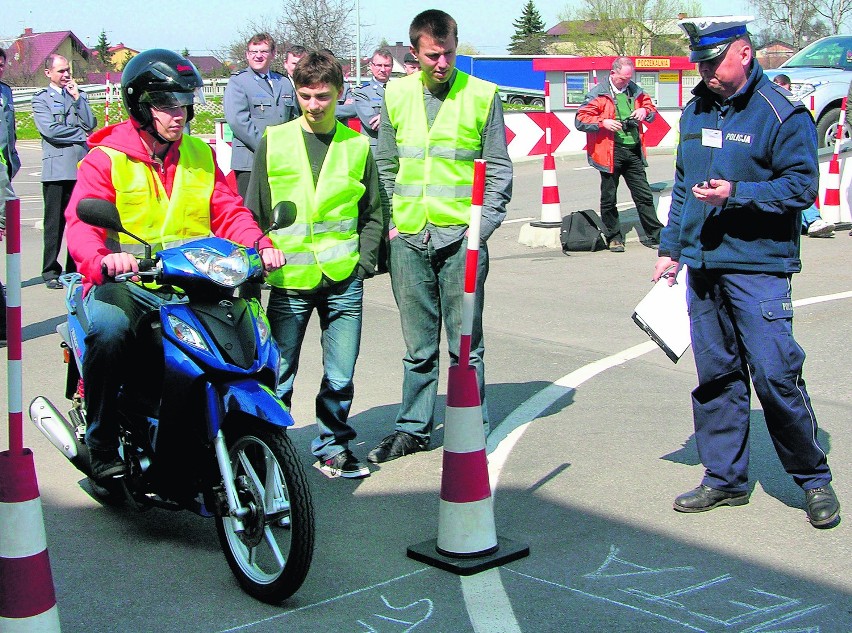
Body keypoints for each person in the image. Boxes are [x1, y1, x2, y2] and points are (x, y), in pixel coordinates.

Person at [653, 17, 840, 528]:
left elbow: (802, 190)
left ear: (744, 53)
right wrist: (671, 248)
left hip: (758, 266)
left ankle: (813, 480)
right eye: (702, 65)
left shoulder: (782, 114)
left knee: (776, 374)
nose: (707, 72)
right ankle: (724, 478)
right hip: (704, 266)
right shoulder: (697, 108)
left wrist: (738, 194)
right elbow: (683, 183)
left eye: (714, 63)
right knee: (716, 377)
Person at [64, 49, 285, 481]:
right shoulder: (105, 159)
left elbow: (229, 211)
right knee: (109, 334)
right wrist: (103, 261)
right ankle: (102, 441)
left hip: (193, 282)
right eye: (167, 104)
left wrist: (260, 244)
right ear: (141, 107)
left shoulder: (201, 155)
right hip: (126, 283)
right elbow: (80, 225)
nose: (179, 114)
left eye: (184, 103)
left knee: (243, 334)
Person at [368, 9, 512, 464]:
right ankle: (413, 429)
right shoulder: (396, 93)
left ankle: (471, 425)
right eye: (433, 55)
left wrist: (481, 230)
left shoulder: (483, 95)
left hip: (461, 242)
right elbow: (387, 165)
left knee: (466, 346)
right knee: (418, 348)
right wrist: (393, 222)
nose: (443, 62)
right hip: (409, 237)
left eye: (449, 52)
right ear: (414, 53)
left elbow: (499, 169)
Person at [244, 50, 382, 478]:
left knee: (340, 376)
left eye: (323, 96)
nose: (313, 105)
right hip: (289, 282)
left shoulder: (357, 145)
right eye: (305, 95)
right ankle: (268, 457)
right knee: (278, 375)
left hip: (344, 279)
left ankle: (332, 447)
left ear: (340, 95)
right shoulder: (275, 140)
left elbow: (374, 213)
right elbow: (252, 212)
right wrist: (259, 253)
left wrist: (364, 264)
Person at [575, 57, 664, 252]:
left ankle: (656, 235)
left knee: (644, 196)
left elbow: (651, 110)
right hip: (609, 152)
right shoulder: (598, 93)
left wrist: (643, 111)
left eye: (629, 78)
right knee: (609, 198)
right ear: (613, 73)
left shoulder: (636, 91)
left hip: (633, 151)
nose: (627, 82)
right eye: (623, 78)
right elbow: (580, 120)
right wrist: (602, 123)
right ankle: (614, 237)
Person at [32, 54, 96, 289]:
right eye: (60, 71)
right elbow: (50, 130)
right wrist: (81, 136)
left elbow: (90, 123)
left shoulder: (77, 96)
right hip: (57, 170)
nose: (66, 75)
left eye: (67, 70)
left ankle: (73, 268)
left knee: (77, 221)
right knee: (54, 223)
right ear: (48, 73)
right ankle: (50, 270)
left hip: (80, 168)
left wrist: (78, 99)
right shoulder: (42, 99)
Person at [224, 33, 297, 201]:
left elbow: (293, 118)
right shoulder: (238, 82)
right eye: (253, 51)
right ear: (247, 55)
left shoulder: (284, 83)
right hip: (250, 161)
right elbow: (238, 121)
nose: (258, 56)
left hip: (282, 160)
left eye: (264, 51)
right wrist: (267, 147)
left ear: (273, 53)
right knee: (253, 213)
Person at [351, 48, 394, 154]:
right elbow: (372, 124)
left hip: (396, 149)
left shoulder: (399, 90)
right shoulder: (362, 92)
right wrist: (394, 117)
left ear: (392, 67)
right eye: (379, 65)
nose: (383, 69)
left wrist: (383, 116)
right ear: (371, 66)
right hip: (375, 151)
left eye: (387, 65)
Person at [0, 48, 21, 186]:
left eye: (1, 65)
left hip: (6, 162)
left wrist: (14, 157)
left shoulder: (6, 91)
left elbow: (10, 128)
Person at [283, 45, 308, 117]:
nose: (297, 67)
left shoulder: (315, 85)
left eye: (301, 63)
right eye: (294, 63)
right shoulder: (278, 86)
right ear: (285, 64)